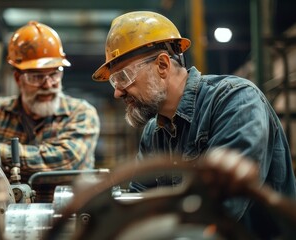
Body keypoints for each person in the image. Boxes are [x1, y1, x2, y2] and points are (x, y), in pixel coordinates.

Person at [92, 11, 296, 238]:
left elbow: (221, 211)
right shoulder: (154, 132)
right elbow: (139, 205)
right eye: (114, 81)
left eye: (123, 77)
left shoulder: (235, 100)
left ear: (162, 65)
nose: (117, 92)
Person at [0, 21, 100, 202]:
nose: (48, 85)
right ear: (18, 78)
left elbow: (65, 160)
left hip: (66, 218)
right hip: (3, 217)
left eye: (54, 74)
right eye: (36, 77)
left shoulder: (81, 114)